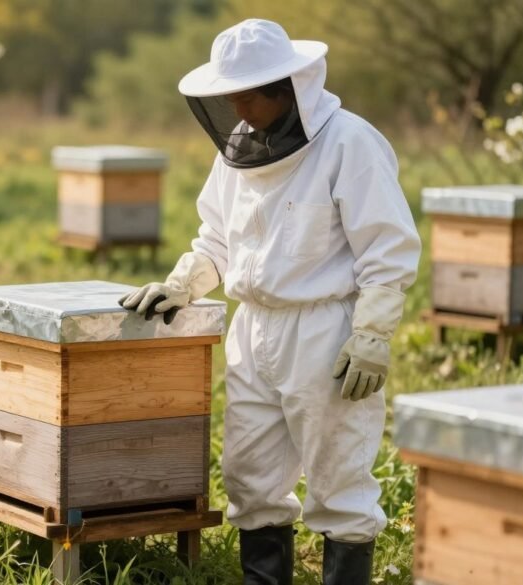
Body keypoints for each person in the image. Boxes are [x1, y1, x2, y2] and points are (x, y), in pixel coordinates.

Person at [119, 19, 421, 585]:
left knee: (339, 478)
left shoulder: (349, 143)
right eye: (229, 95)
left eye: (247, 94)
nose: (237, 106)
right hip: (251, 329)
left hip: (324, 333)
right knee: (249, 473)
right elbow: (217, 240)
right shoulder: (236, 152)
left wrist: (373, 333)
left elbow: (387, 247)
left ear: (286, 86)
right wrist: (182, 284)